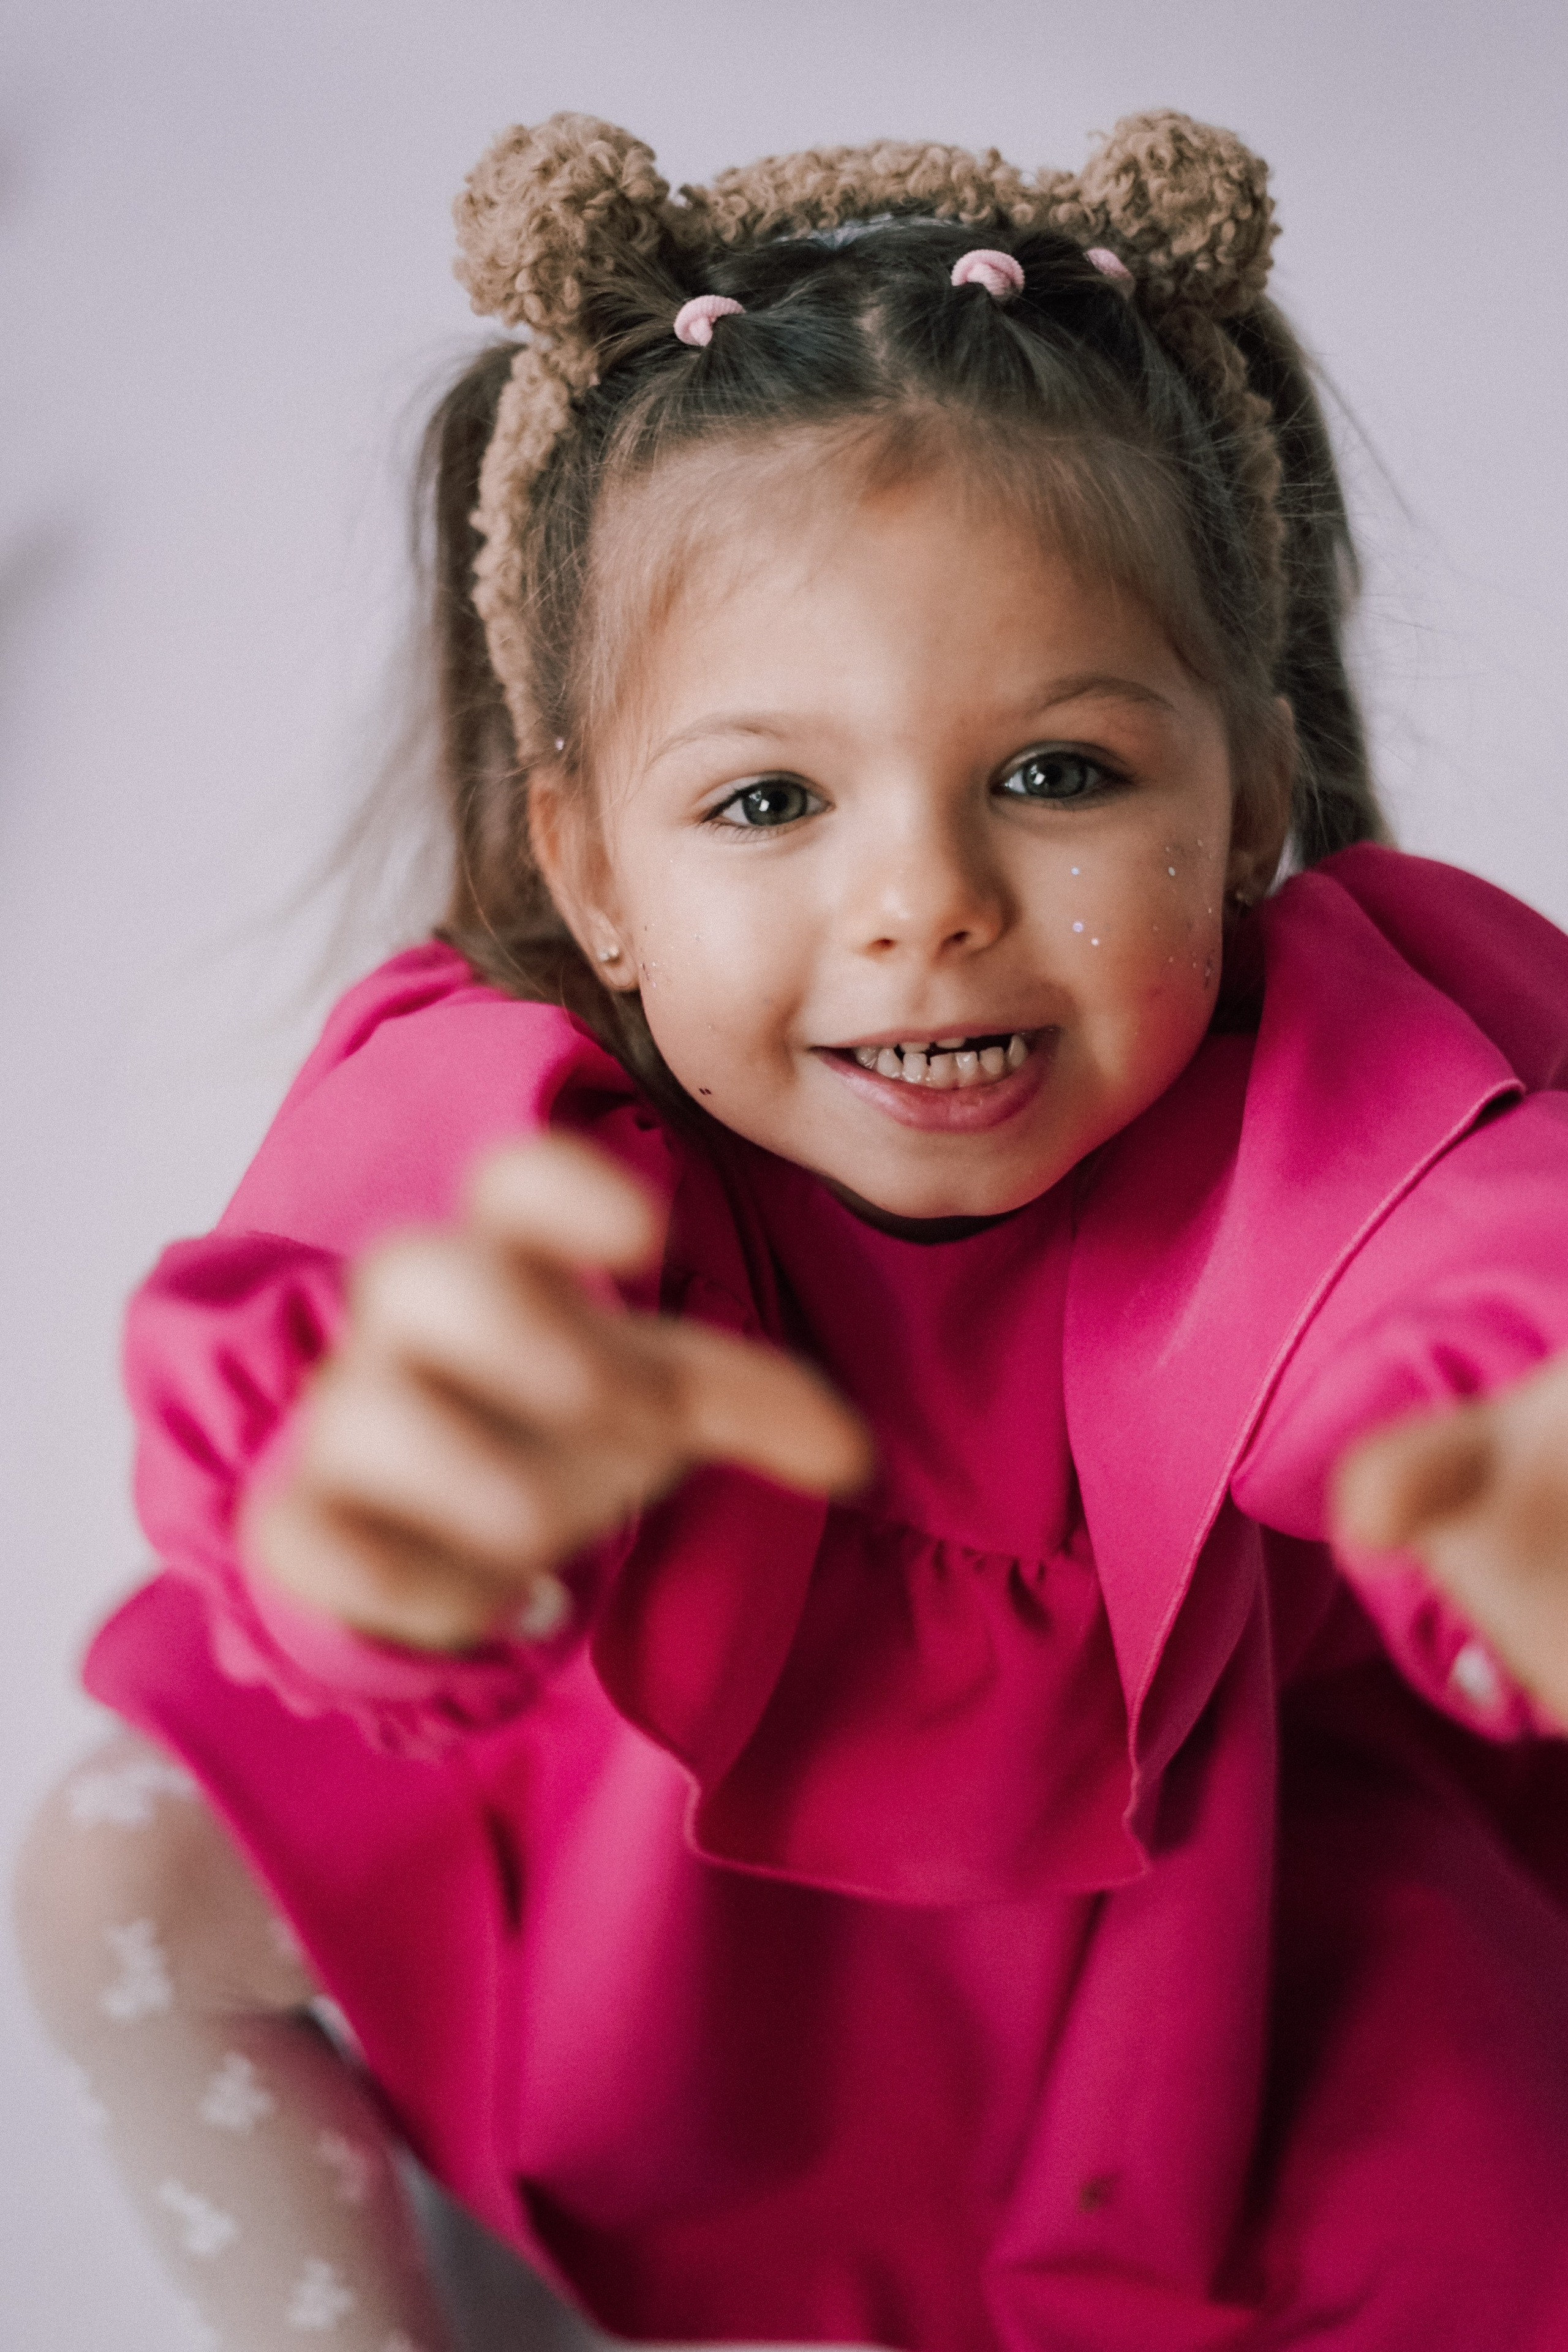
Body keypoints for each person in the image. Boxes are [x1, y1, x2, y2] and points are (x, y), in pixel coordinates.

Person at [16, 107, 1568, 2352]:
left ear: (1245, 782)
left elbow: (1473, 1244)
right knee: (109, 1880)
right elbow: (380, 1321)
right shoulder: (526, 1115)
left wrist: (1518, 1441)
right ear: (592, 872)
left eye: (1059, 773)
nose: (921, 901)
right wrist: (366, 1533)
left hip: (1220, 1983)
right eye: (767, 800)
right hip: (675, 1949)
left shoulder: (1336, 1079)